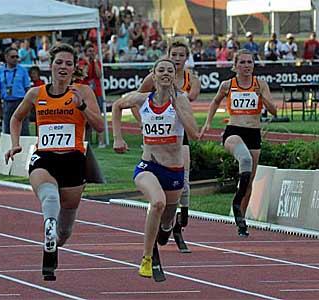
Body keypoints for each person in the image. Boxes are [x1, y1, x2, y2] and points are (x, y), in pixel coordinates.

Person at [4, 43, 104, 278]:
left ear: (74, 68)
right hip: (44, 157)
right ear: (51, 65)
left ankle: (53, 243)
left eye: (68, 63)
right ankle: (48, 225)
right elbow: (16, 118)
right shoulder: (36, 93)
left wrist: (81, 106)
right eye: (59, 62)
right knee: (49, 196)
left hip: (74, 160)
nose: (63, 67)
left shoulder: (83, 92)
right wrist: (15, 143)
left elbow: (100, 126)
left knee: (66, 231)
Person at [112, 58, 199, 278]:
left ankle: (166, 230)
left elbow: (195, 134)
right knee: (157, 202)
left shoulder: (181, 100)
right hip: (148, 165)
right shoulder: (142, 99)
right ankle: (147, 258)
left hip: (174, 171)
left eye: (169, 70)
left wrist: (179, 108)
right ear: (153, 74)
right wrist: (117, 138)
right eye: (161, 70)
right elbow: (116, 105)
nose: (165, 73)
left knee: (167, 221)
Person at [200, 49, 277, 237]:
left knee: (249, 180)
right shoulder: (228, 85)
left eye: (249, 62)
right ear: (235, 66)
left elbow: (274, 111)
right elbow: (215, 102)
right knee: (245, 159)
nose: (246, 66)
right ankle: (236, 201)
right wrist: (208, 122)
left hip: (254, 133)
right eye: (242, 62)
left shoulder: (261, 85)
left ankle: (241, 220)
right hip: (234, 131)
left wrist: (262, 96)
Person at [132, 41, 200, 232]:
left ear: (187, 58)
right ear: (168, 54)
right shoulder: (154, 75)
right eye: (174, 55)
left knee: (184, 181)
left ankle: (179, 219)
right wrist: (143, 122)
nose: (177, 59)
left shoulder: (191, 79)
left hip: (180, 133)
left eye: (181, 55)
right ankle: (161, 220)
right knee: (156, 191)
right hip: (157, 137)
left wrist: (177, 99)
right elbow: (137, 99)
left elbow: (191, 98)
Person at [0, 47, 31, 135]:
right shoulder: (0, 71)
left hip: (21, 102)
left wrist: (29, 107)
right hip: (7, 103)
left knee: (23, 129)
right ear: (6, 57)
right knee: (7, 129)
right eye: (12, 57)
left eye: (17, 57)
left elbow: (27, 89)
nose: (15, 59)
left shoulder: (23, 70)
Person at [78, 43, 106, 147]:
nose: (91, 53)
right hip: (85, 93)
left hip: (96, 92)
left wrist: (94, 62)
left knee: (98, 117)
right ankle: (86, 141)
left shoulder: (97, 62)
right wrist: (86, 63)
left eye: (92, 51)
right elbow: (82, 75)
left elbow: (99, 75)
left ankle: (101, 141)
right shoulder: (82, 63)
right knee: (85, 118)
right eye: (89, 51)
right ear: (85, 53)